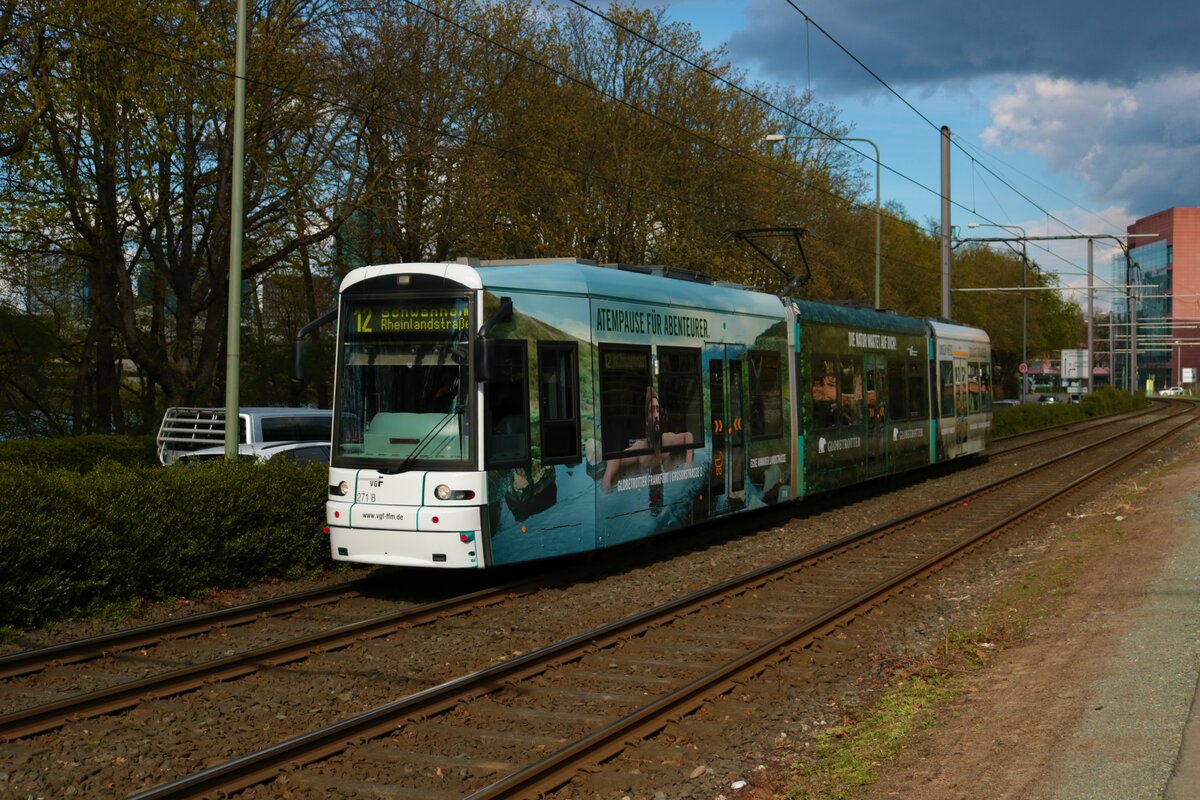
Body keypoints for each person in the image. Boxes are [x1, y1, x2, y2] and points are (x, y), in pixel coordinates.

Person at [602, 385, 694, 491]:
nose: (656, 415)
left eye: (657, 409)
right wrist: (607, 478)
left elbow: (688, 436)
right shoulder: (640, 448)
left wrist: (688, 462)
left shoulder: (667, 440)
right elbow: (616, 458)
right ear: (646, 421)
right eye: (652, 411)